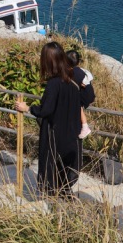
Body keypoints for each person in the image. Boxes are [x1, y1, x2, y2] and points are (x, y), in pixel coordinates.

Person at [15, 41, 92, 198]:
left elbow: (46, 110)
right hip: (73, 130)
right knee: (66, 164)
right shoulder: (75, 76)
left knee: (51, 161)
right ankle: (65, 191)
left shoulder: (53, 83)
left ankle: (50, 196)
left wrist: (28, 108)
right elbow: (87, 98)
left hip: (55, 131)